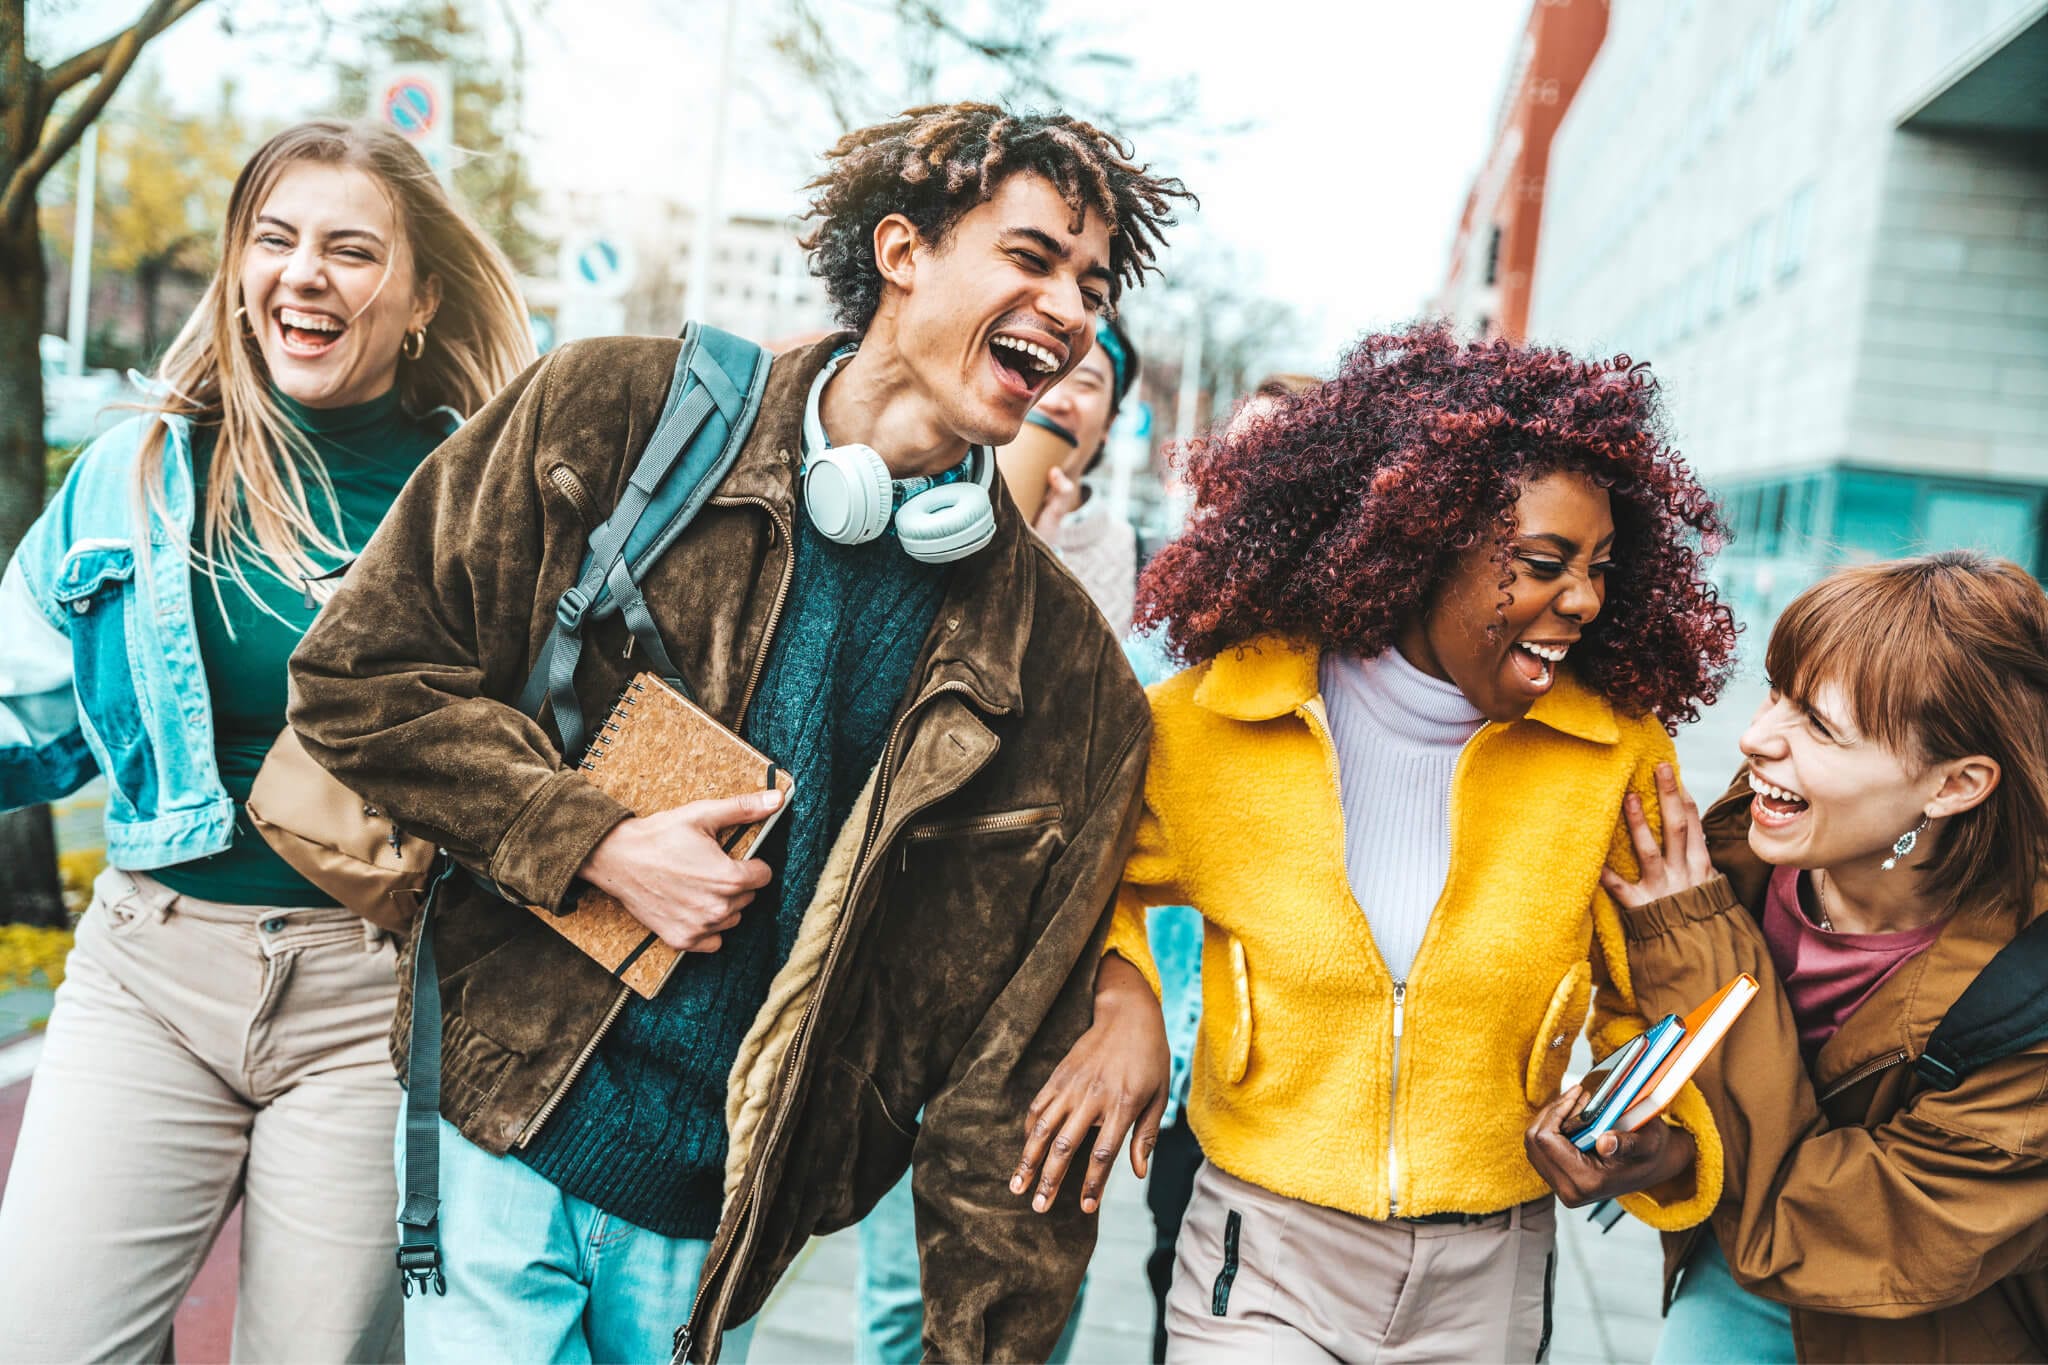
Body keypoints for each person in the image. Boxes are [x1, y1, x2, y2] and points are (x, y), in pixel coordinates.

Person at [287, 102, 1193, 1364]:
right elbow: (360, 675)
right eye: (1031, 258)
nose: (1069, 307)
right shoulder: (608, 410)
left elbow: (1012, 1063)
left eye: (1091, 285)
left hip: (726, 1218)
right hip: (493, 1119)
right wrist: (591, 841)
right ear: (901, 251)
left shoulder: (1060, 672)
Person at [1014, 322, 1740, 1361]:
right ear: (1421, 544)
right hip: (1260, 1247)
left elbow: (1653, 1015)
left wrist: (1641, 1145)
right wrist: (1127, 999)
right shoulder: (1214, 723)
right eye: (1542, 562)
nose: (1580, 599)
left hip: (1489, 1271)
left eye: (1598, 567)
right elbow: (1073, 891)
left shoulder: (1612, 757)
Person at [0, 120, 532, 1362]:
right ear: (240, 270)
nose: (305, 273)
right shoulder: (135, 471)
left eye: (352, 250)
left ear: (419, 297)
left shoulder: (483, 499)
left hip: (377, 1004)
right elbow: (21, 702)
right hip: (149, 974)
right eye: (276, 239)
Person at [1598, 551, 2048, 1364]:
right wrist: (1646, 1137)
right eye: (1777, 692)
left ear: (1955, 785)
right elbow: (1642, 1033)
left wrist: (1695, 941)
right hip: (1737, 1265)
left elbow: (1824, 1223)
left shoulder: (2030, 992)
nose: (1754, 736)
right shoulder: (1736, 848)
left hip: (1939, 1322)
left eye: (1819, 725)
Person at [1127, 368, 1321, 1365]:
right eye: (1226, 470)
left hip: (1315, 1097)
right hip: (1190, 1079)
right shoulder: (1170, 658)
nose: (1240, 494)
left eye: (1274, 470)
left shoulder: (1374, 683)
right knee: (1181, 1292)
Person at [1018, 314, 1143, 635]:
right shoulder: (939, 519)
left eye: (1085, 383)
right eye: (1044, 370)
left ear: (1109, 424)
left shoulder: (1143, 566)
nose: (1055, 400)